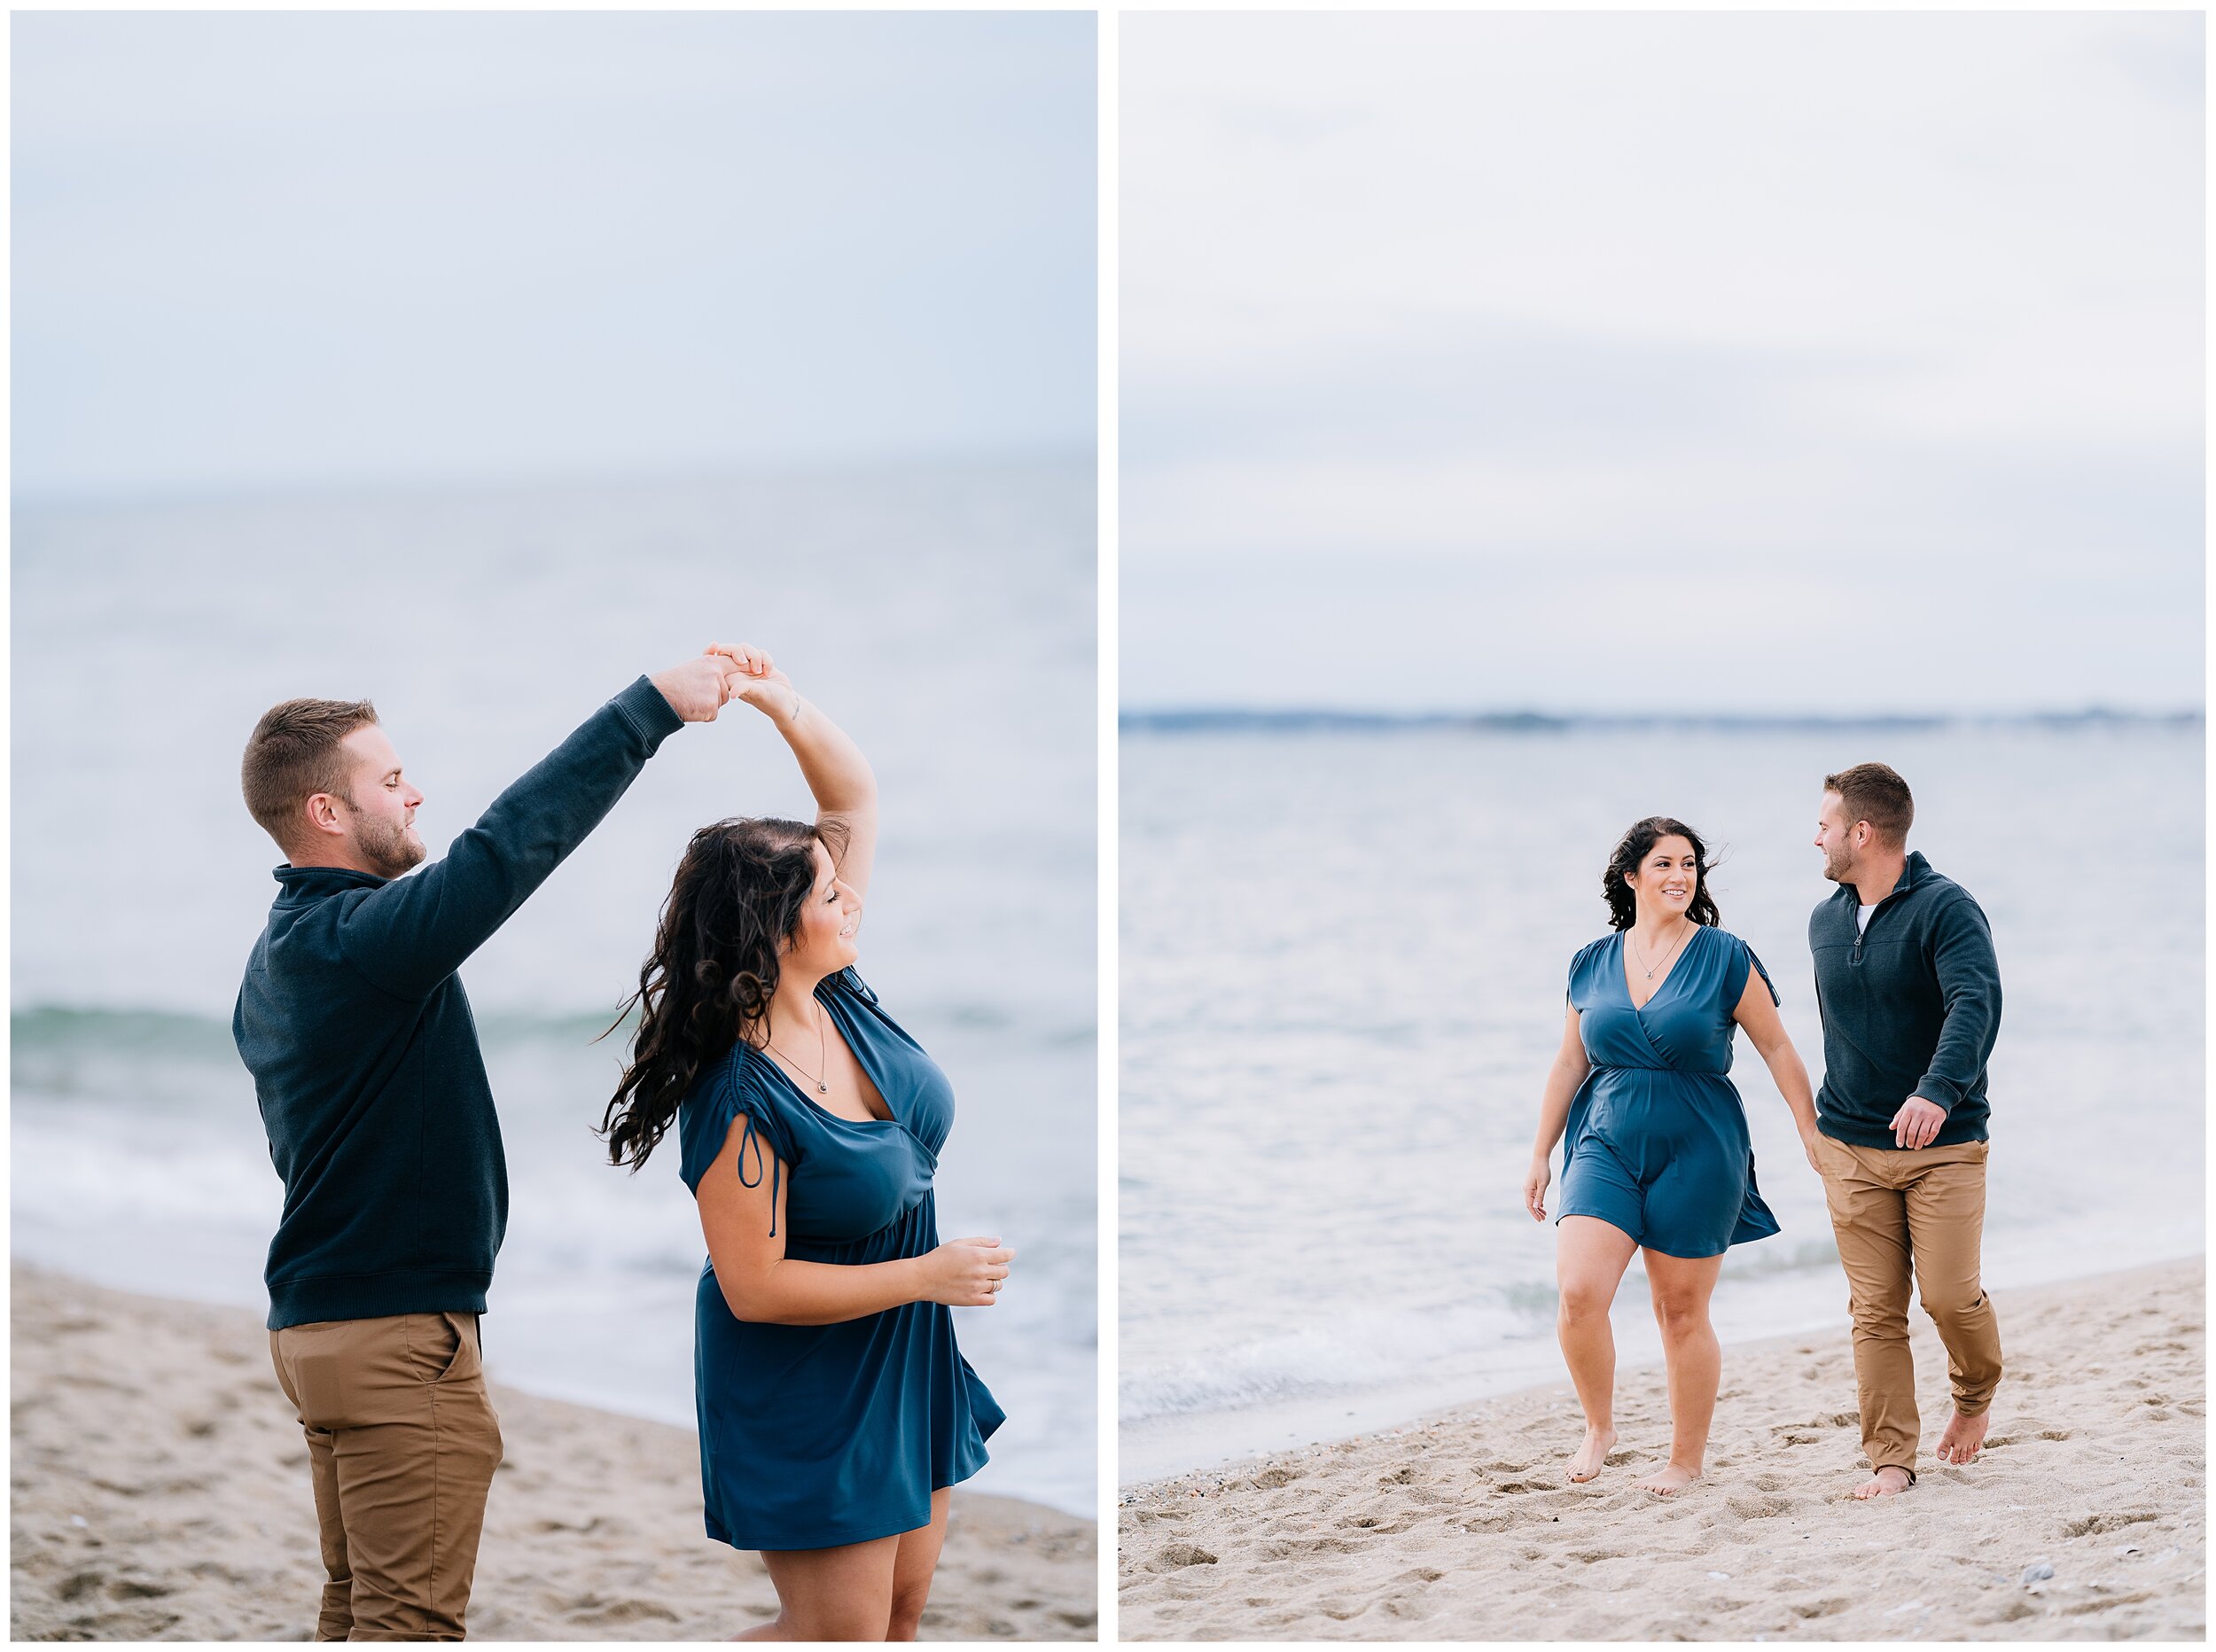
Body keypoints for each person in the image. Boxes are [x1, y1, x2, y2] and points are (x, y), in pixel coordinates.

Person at [234, 645, 751, 1640]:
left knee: (355, 1614)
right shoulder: (363, 943)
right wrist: (649, 710)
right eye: (389, 781)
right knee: (407, 1624)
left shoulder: (279, 957)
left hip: (317, 1330)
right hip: (393, 1338)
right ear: (326, 814)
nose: (415, 793)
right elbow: (505, 852)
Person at [600, 646, 1009, 1642]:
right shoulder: (738, 1094)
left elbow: (853, 796)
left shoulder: (837, 991)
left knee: (900, 1617)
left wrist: (775, 701)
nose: (852, 900)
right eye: (829, 896)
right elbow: (758, 1287)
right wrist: (929, 1274)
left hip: (905, 1352)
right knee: (836, 1636)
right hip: (806, 1374)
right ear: (778, 929)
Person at [1525, 816, 1821, 1494]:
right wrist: (1540, 1153)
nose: (1680, 877)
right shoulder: (1590, 962)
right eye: (1664, 865)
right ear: (1632, 877)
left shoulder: (1725, 955)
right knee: (1577, 1295)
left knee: (1681, 1310)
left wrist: (1809, 1129)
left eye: (1689, 864)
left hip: (1698, 1145)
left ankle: (1685, 1459)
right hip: (1603, 1138)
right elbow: (1570, 1061)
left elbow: (1777, 1046)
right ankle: (1599, 1425)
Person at [1809, 762, 2003, 1500]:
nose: (1816, 837)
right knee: (1874, 1313)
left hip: (1944, 1147)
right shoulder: (1824, 918)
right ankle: (1892, 1458)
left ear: (1862, 831)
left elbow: (1975, 1005)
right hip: (1852, 1149)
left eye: (1825, 824)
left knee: (1949, 1299)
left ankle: (1976, 1393)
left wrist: (1936, 1092)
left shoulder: (1947, 909)